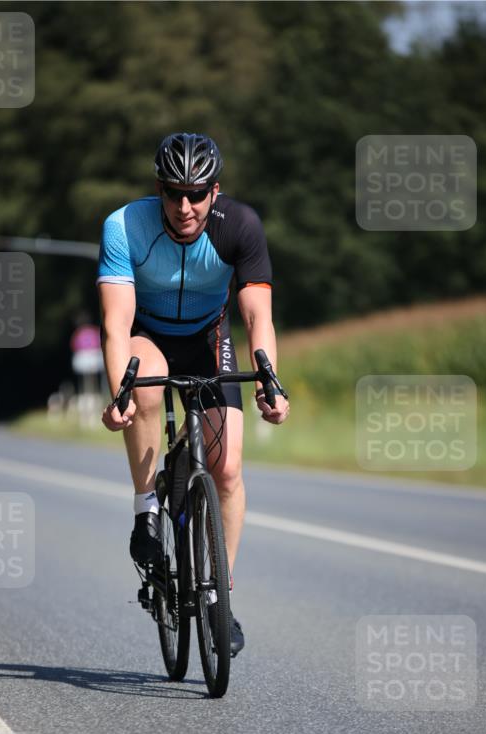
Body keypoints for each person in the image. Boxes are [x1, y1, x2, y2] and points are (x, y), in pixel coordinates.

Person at [98, 132, 289, 656]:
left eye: (197, 194)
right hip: (149, 337)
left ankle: (216, 598)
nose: (185, 207)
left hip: (210, 339)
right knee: (147, 388)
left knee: (226, 469)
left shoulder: (241, 226)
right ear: (158, 190)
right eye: (173, 193)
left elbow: (257, 316)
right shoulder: (124, 226)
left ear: (215, 191)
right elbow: (115, 326)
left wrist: (268, 378)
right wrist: (121, 394)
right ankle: (145, 512)